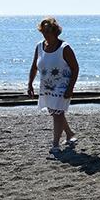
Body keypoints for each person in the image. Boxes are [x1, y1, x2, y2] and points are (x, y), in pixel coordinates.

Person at [27, 17, 79, 154]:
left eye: (48, 32)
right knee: (56, 113)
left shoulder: (64, 48)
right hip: (47, 87)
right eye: (43, 32)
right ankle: (69, 133)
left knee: (57, 114)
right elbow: (34, 67)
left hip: (62, 87)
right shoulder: (39, 46)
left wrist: (70, 88)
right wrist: (30, 84)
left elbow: (75, 68)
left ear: (55, 32)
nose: (45, 35)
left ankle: (55, 145)